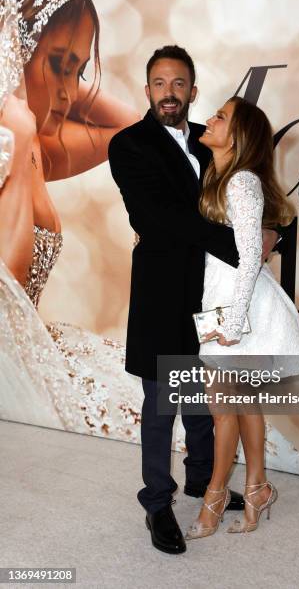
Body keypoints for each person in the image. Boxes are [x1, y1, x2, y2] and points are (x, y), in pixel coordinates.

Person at [108, 45, 279, 555]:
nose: (169, 93)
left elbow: (253, 194)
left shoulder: (212, 142)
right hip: (163, 295)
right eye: (159, 83)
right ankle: (158, 504)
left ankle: (207, 483)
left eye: (179, 83)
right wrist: (241, 245)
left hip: (212, 294)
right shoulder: (129, 145)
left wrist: (272, 236)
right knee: (162, 405)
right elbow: (159, 218)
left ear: (192, 92)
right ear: (147, 92)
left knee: (208, 405)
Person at [0, 0, 145, 438]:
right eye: (59, 64)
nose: (69, 92)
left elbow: (139, 135)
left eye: (78, 71)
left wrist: (54, 83)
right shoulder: (16, 144)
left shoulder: (38, 146)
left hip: (39, 362)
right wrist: (19, 130)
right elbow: (9, 295)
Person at [185, 96, 299, 539]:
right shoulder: (219, 175)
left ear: (238, 136)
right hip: (224, 305)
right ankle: (257, 487)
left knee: (225, 412)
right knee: (242, 408)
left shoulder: (241, 183)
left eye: (220, 117)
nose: (209, 119)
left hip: (237, 309)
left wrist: (233, 324)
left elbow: (247, 260)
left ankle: (214, 500)